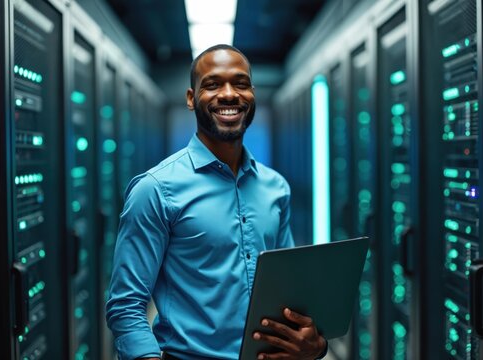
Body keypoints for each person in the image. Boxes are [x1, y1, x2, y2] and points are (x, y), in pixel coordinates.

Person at [106, 44, 328, 360]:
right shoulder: (155, 189)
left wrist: (315, 345)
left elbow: (287, 293)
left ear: (252, 94)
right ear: (190, 98)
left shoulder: (275, 188)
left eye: (240, 83)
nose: (228, 94)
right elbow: (125, 305)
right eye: (212, 84)